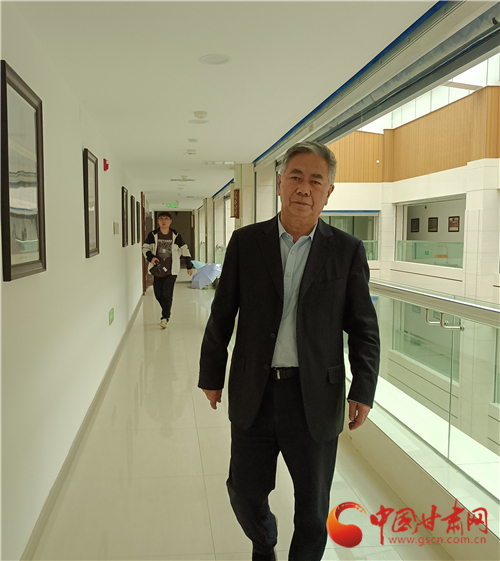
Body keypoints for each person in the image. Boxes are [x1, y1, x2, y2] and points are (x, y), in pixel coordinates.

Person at [198, 141, 380, 561]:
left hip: (315, 397)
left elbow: (363, 328)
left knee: (313, 510)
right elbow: (222, 314)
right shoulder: (246, 242)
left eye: (316, 180)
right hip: (254, 391)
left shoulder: (347, 250)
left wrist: (363, 389)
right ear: (280, 183)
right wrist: (211, 375)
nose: (304, 187)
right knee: (244, 493)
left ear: (328, 192)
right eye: (296, 176)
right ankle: (264, 542)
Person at [142, 211, 193, 328]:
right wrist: (151, 257)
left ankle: (165, 317)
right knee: (158, 294)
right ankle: (166, 310)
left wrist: (189, 265)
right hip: (158, 269)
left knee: (167, 293)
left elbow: (185, 249)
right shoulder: (153, 235)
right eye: (161, 218)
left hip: (171, 270)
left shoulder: (176, 236)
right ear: (158, 221)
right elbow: (145, 248)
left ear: (170, 221)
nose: (163, 221)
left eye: (166, 219)